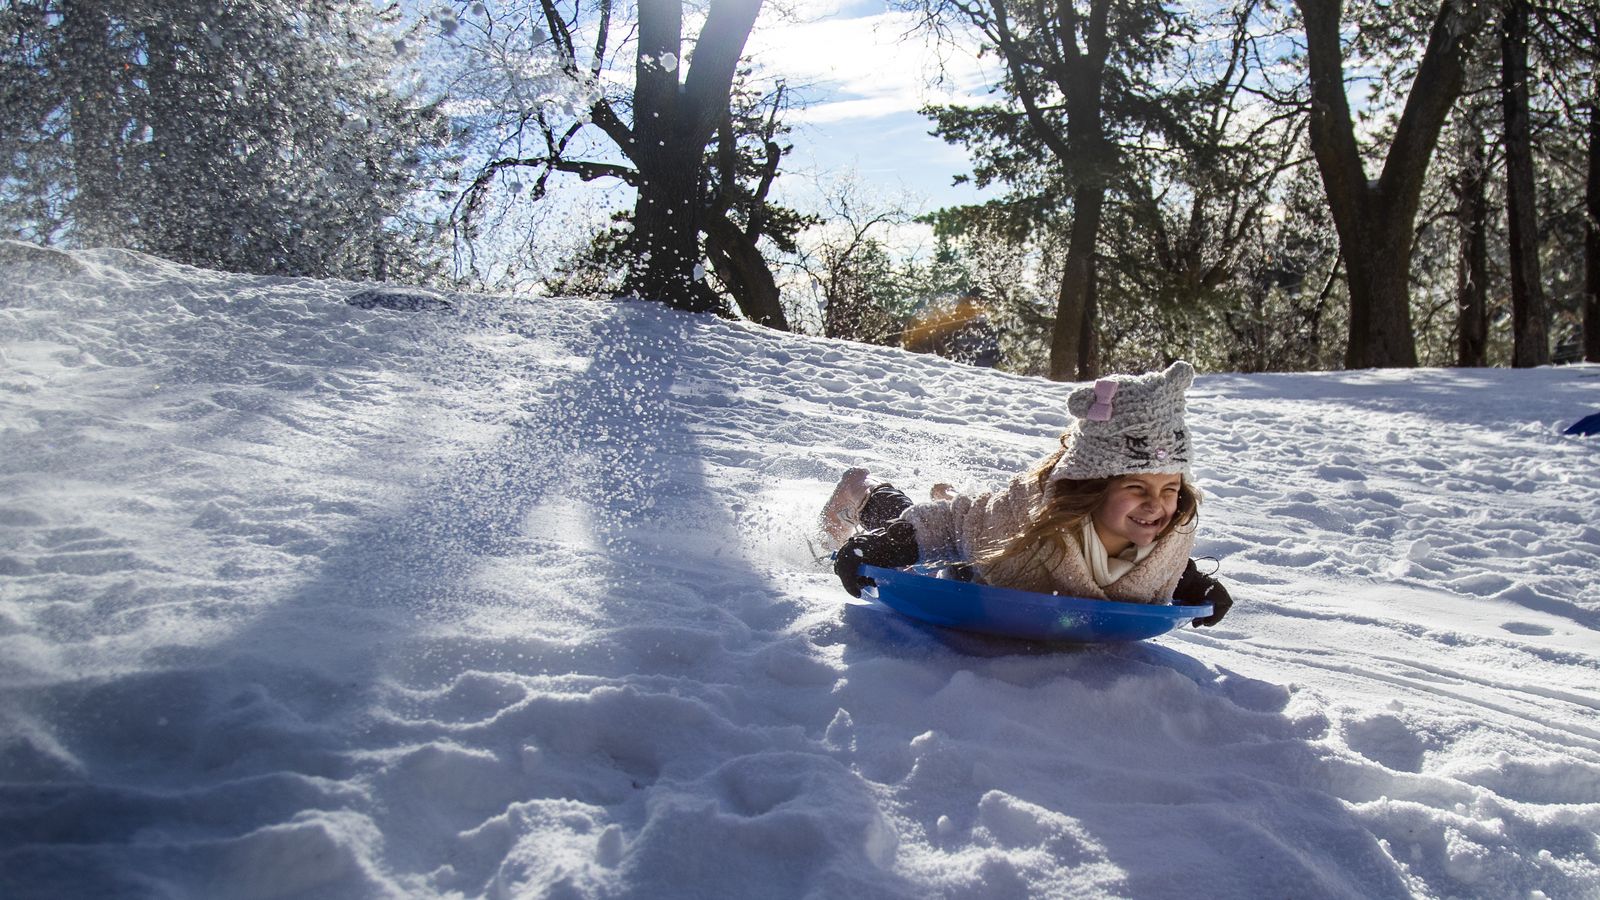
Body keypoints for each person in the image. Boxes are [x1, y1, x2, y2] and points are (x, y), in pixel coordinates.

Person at [818, 360, 1232, 627]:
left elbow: (1164, 560)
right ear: (1092, 488)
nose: (1156, 504)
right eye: (1136, 486)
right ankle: (866, 491)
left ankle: (944, 491)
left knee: (960, 506)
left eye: (1170, 488)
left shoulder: (1168, 528)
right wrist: (890, 543)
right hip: (982, 570)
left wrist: (1192, 583)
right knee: (934, 537)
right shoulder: (1025, 516)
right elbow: (955, 525)